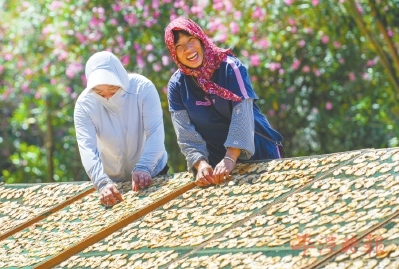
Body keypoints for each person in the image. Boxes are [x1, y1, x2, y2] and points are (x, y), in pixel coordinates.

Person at [164, 17, 283, 187]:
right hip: (217, 166)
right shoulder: (177, 85)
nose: (188, 49)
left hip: (259, 152)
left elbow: (242, 113)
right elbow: (184, 132)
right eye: (179, 46)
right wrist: (201, 164)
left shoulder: (230, 67)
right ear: (174, 53)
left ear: (200, 38)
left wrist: (230, 157)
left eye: (191, 40)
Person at [74, 51, 168, 206]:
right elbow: (87, 149)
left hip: (153, 171)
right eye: (99, 92)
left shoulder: (143, 88)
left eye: (112, 89)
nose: (107, 96)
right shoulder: (85, 105)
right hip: (111, 181)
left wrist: (144, 167)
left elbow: (155, 133)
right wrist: (102, 183)